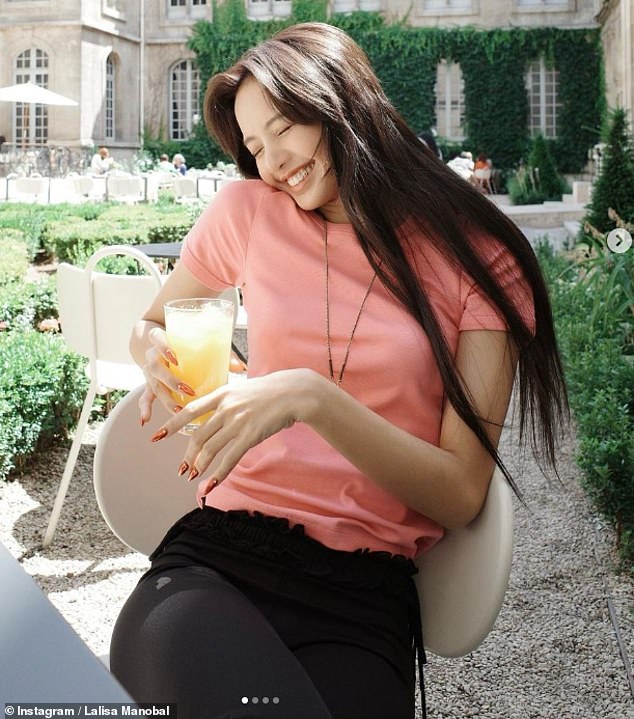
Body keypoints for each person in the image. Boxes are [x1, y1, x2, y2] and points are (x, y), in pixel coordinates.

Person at [110, 22, 569, 719]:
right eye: (253, 147)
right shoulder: (247, 212)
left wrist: (311, 397)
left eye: (282, 129)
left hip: (363, 596)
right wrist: (152, 352)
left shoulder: (476, 255)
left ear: (339, 101)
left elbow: (458, 492)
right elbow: (152, 324)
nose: (270, 164)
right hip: (219, 562)